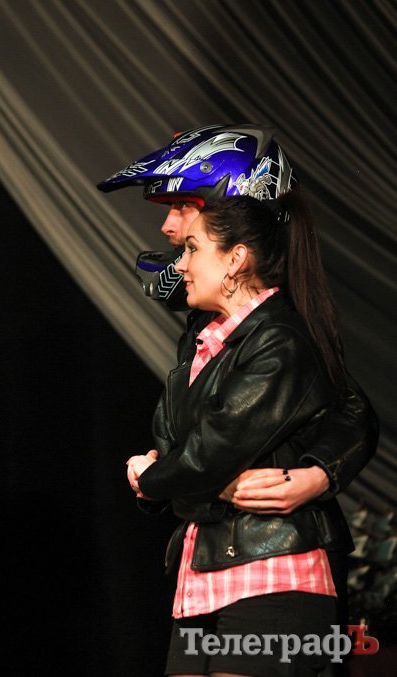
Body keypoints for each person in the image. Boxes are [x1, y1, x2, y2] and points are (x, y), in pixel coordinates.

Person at [97, 126, 378, 597]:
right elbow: (192, 454)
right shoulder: (207, 327)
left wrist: (317, 475)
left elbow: (350, 405)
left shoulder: (278, 326)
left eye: (181, 206)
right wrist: (181, 479)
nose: (167, 227)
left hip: (269, 571)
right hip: (209, 565)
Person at [126, 191, 367, 675]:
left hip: (269, 568)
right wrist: (169, 476)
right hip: (203, 569)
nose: (180, 261)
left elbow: (211, 453)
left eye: (192, 246)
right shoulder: (206, 342)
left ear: (236, 259)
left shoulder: (278, 338)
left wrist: (153, 479)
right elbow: (184, 449)